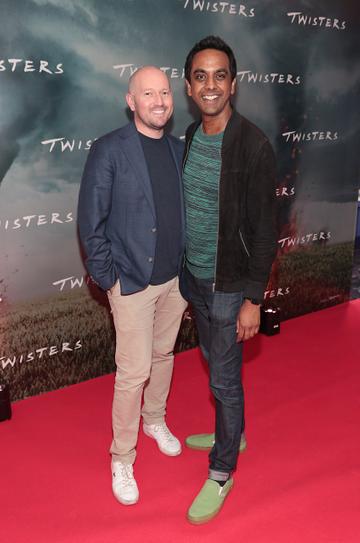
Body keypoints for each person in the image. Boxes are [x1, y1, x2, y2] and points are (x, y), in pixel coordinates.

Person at [78, 66, 187, 506]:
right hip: (133, 284)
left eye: (164, 92)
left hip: (176, 280)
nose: (158, 100)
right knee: (133, 372)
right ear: (131, 101)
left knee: (163, 355)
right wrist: (110, 280)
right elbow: (91, 223)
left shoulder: (182, 149)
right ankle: (122, 457)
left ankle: (155, 419)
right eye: (148, 93)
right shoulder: (109, 149)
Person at [182, 36, 277, 524]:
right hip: (194, 281)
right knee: (211, 362)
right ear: (189, 86)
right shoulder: (190, 138)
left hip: (230, 284)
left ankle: (223, 468)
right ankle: (231, 431)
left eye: (220, 75)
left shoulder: (254, 145)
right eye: (201, 76)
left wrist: (252, 299)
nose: (211, 84)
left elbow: (265, 231)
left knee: (224, 377)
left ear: (233, 85)